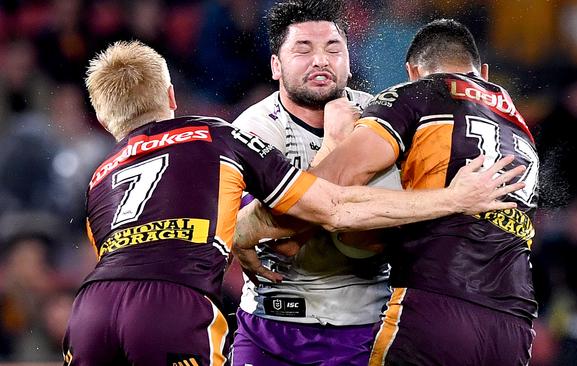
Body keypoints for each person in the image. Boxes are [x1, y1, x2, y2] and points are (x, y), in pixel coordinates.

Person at [61, 40, 524, 365]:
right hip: (172, 306)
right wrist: (453, 197)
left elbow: (132, 254)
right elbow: (336, 206)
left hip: (89, 311)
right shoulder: (221, 135)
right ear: (170, 96)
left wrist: (237, 234)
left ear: (104, 119)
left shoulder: (100, 176)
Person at [239, 19, 539, 365]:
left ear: (413, 71)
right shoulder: (520, 128)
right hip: (514, 323)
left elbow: (327, 190)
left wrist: (247, 229)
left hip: (436, 307)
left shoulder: (418, 95)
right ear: (483, 73)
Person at [229, 1, 401, 365]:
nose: (321, 60)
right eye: (303, 49)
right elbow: (275, 239)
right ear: (276, 65)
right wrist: (335, 144)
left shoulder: (381, 115)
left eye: (333, 48)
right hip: (269, 322)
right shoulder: (252, 128)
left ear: (349, 62)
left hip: (362, 325)